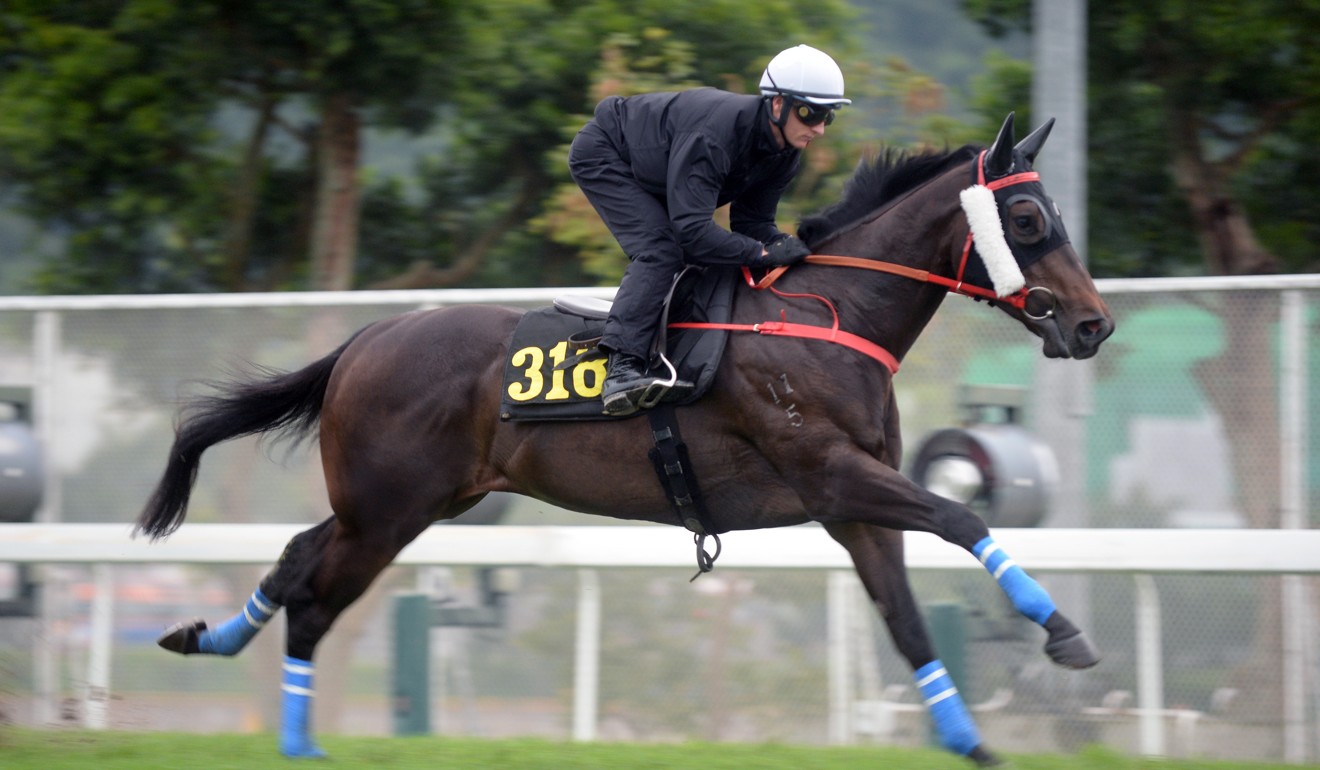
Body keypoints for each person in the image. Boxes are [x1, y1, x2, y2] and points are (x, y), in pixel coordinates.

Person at [568, 44, 850, 416]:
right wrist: (763, 254)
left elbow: (752, 224)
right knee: (662, 249)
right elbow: (692, 232)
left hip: (658, 170)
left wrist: (786, 245)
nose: (819, 128)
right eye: (809, 112)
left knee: (704, 253)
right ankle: (622, 369)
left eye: (828, 116)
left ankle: (674, 350)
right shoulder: (716, 134)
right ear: (778, 104)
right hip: (606, 153)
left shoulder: (785, 154)